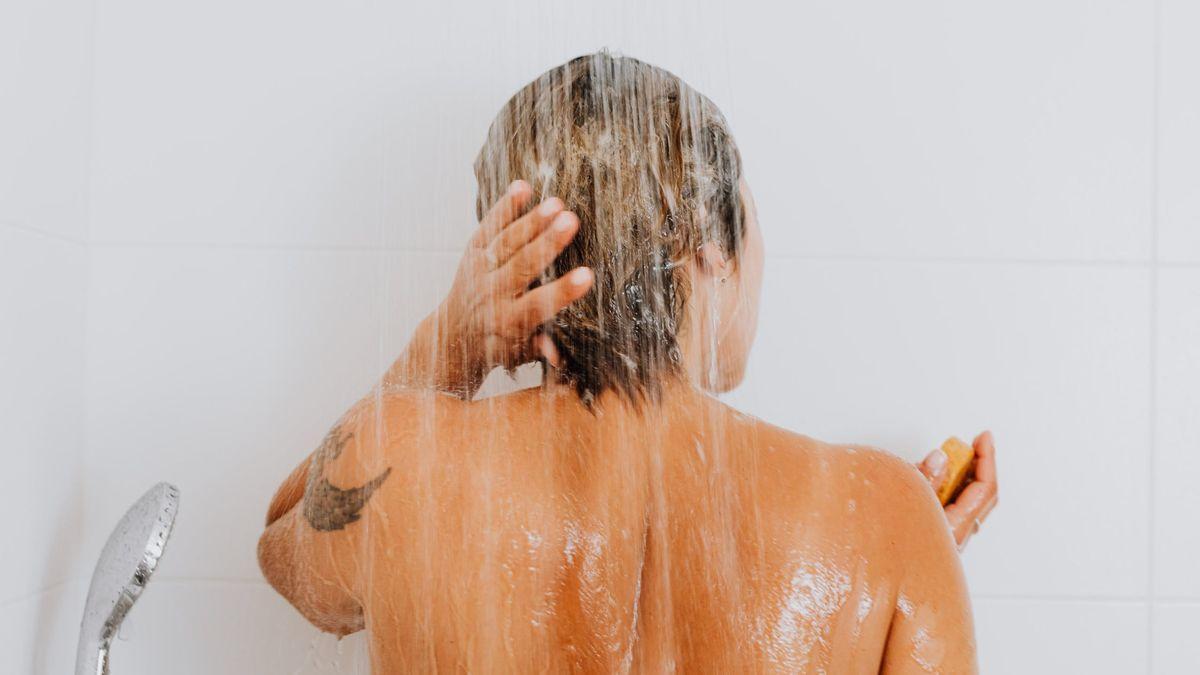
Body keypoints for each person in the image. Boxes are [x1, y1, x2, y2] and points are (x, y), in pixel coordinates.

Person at [259, 53, 997, 672]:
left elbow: (285, 552)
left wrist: (452, 341)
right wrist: (909, 544)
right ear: (712, 249)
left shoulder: (408, 468)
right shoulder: (886, 515)